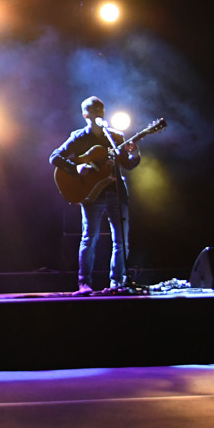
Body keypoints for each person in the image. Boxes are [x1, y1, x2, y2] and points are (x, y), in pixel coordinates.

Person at [50, 95, 134, 293]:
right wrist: (76, 168)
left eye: (101, 109)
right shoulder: (79, 137)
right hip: (91, 194)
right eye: (94, 110)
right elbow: (54, 157)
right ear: (85, 114)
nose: (98, 113)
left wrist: (135, 154)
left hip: (116, 192)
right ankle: (84, 283)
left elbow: (128, 164)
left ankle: (117, 282)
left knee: (121, 240)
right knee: (90, 238)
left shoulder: (116, 137)